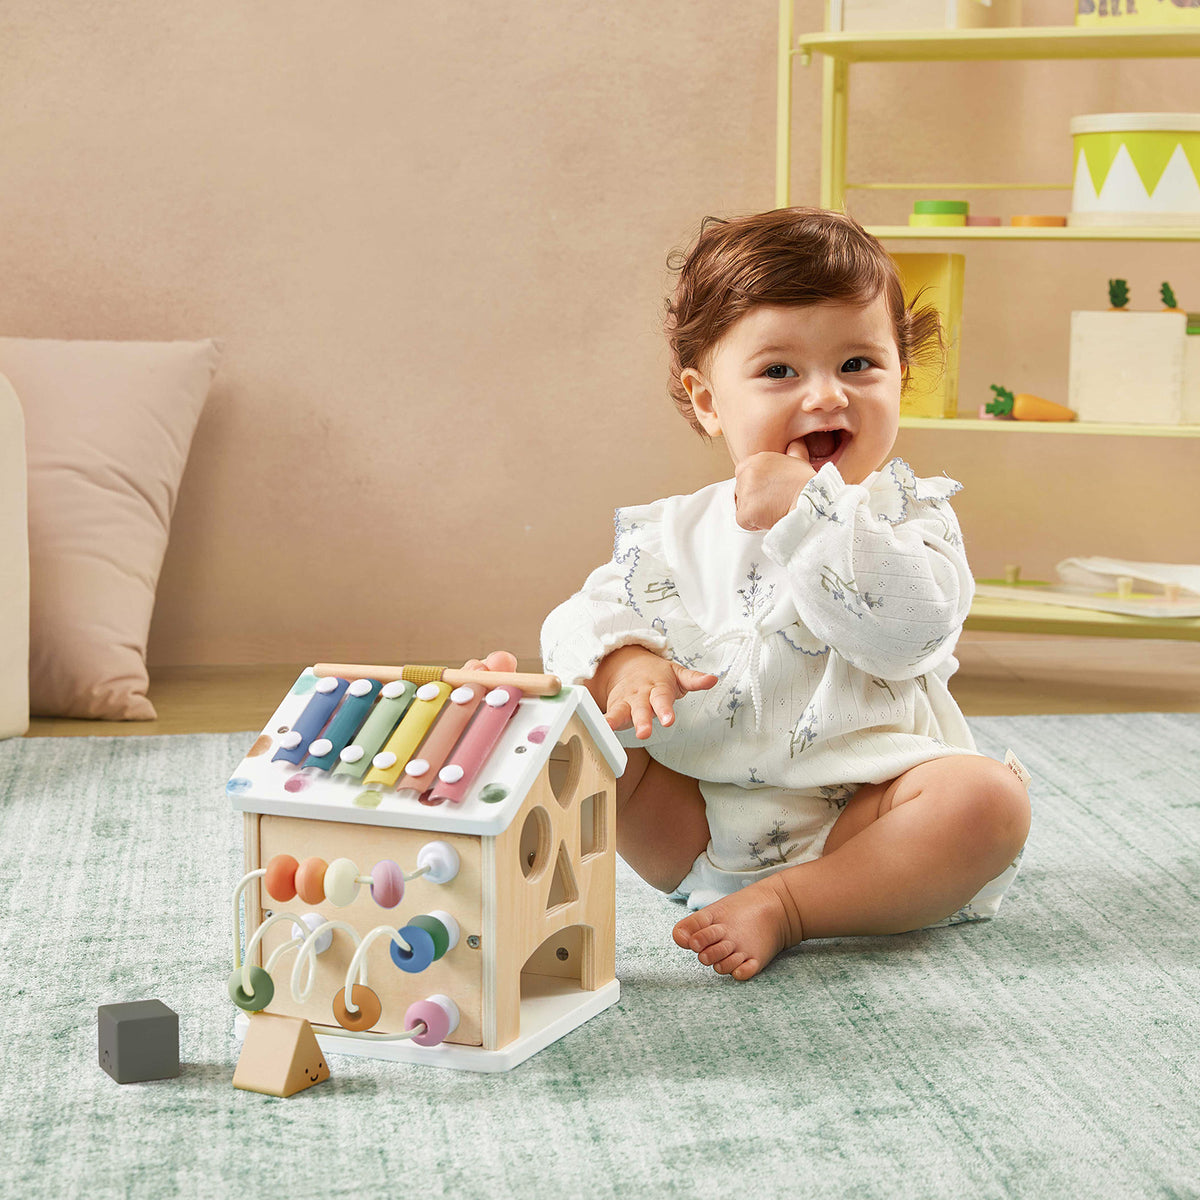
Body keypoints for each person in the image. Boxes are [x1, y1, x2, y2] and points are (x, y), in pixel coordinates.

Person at [473, 207, 1030, 981]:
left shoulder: (907, 517)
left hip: (865, 827)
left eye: (860, 365)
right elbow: (582, 615)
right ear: (708, 401)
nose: (828, 396)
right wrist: (627, 661)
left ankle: (795, 905)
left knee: (987, 801)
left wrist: (813, 513)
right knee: (572, 727)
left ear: (903, 373)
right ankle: (497, 764)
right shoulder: (676, 530)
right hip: (691, 823)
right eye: (779, 372)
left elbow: (912, 633)